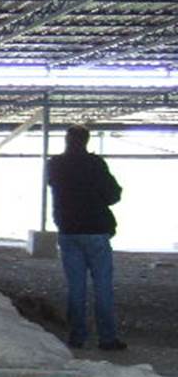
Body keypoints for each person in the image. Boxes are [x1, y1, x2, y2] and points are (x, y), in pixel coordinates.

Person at [46, 125, 126, 351]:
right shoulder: (95, 164)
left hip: (68, 231)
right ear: (86, 140)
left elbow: (54, 187)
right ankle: (107, 339)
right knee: (102, 287)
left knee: (75, 287)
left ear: (66, 139)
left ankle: (77, 336)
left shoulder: (55, 165)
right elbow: (114, 194)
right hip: (96, 230)